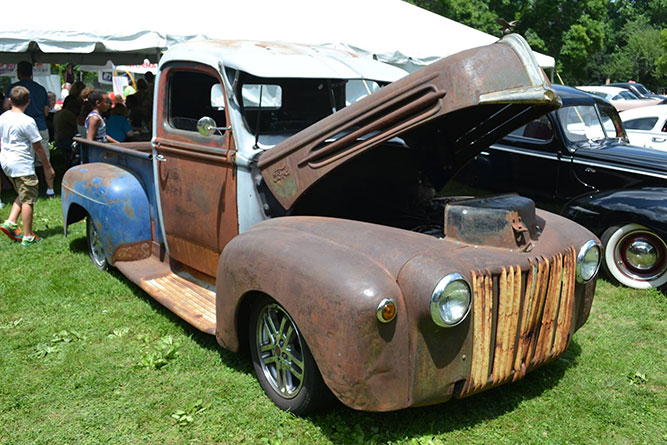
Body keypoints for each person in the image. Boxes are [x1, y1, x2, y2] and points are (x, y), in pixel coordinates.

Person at [0, 86, 55, 246]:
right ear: (29, 102)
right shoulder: (28, 121)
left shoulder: (3, 117)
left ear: (10, 100)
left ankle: (10, 222)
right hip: (22, 163)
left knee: (23, 192)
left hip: (6, 163)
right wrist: (47, 166)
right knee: (29, 199)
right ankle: (28, 235)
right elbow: (38, 147)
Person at [4, 61, 55, 196]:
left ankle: (25, 188)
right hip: (39, 126)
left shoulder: (13, 88)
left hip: (17, 126)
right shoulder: (41, 89)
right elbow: (46, 112)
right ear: (32, 73)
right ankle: (50, 189)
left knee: (25, 158)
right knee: (44, 159)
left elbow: (5, 107)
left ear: (18, 73)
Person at [54, 95, 80, 167]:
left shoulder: (57, 113)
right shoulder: (69, 115)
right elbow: (77, 130)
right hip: (67, 141)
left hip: (58, 140)